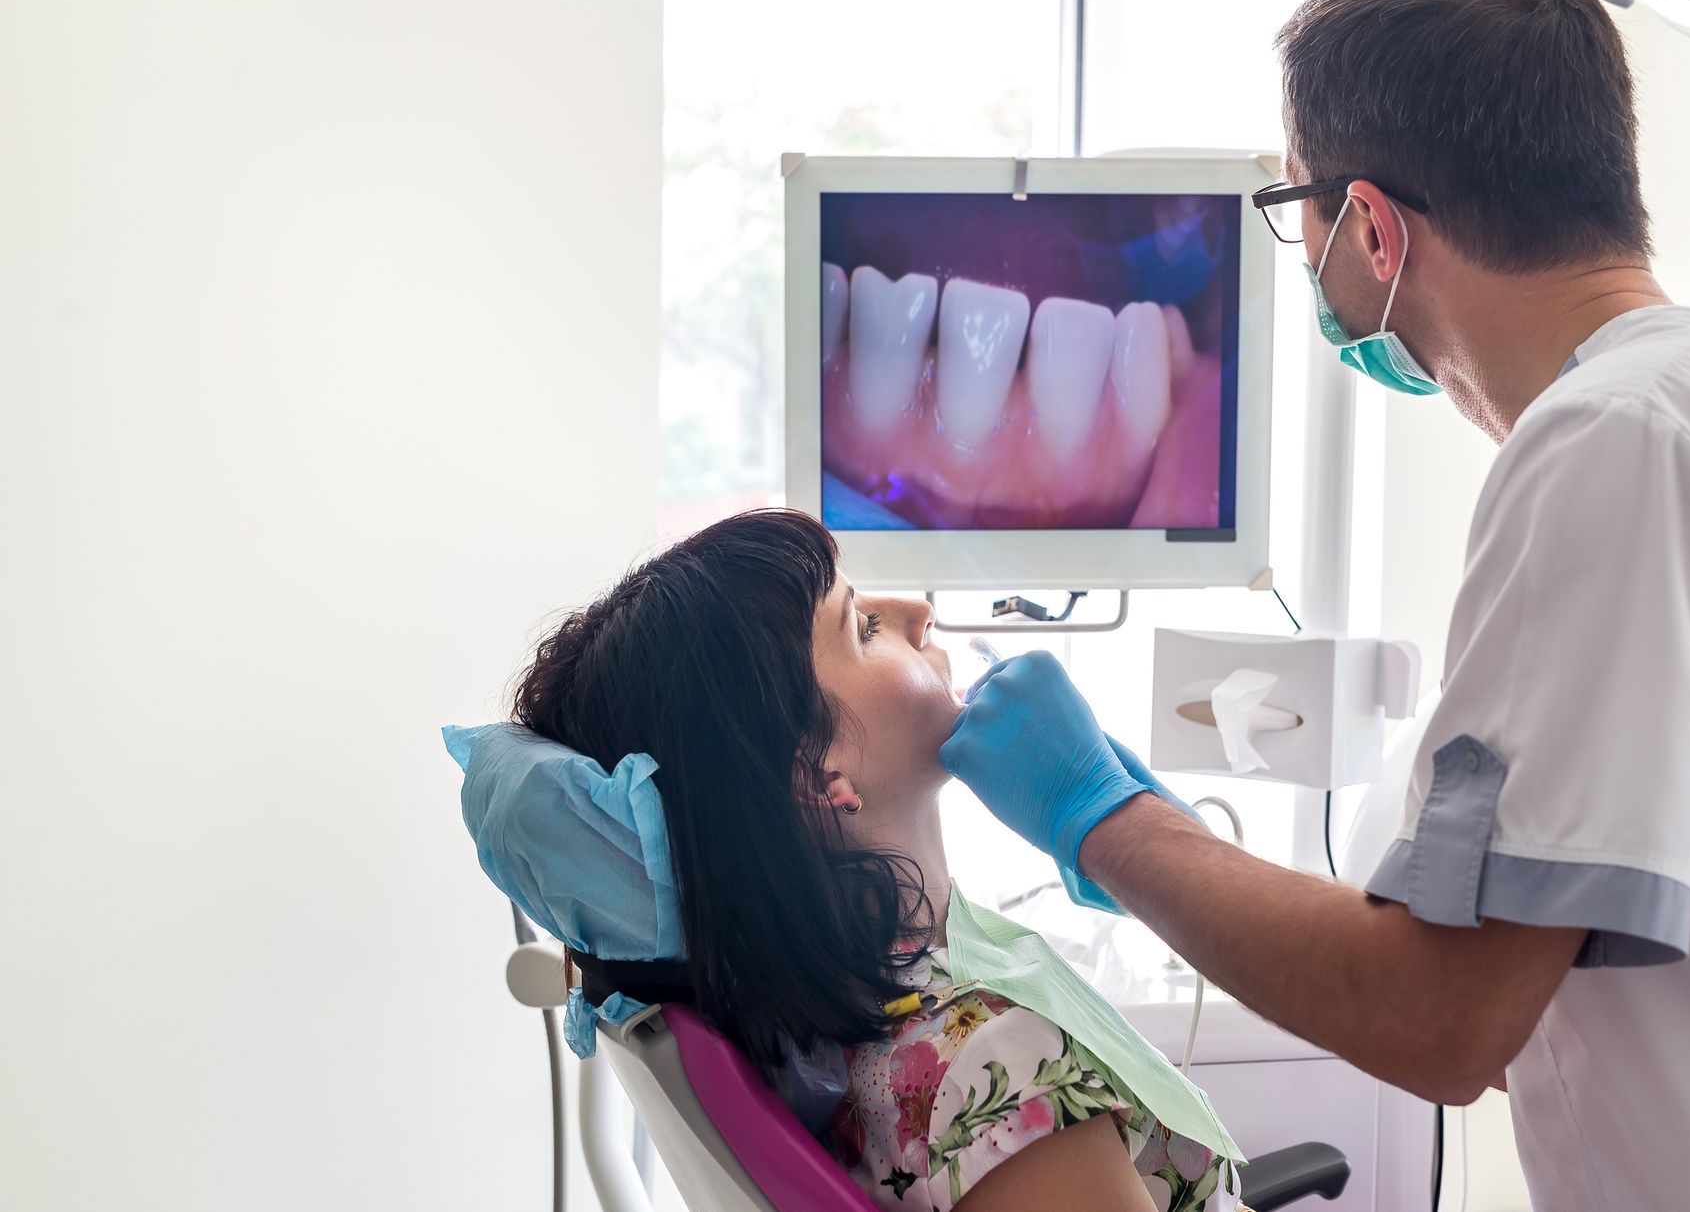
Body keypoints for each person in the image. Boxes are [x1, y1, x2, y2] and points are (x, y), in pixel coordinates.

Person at [941, 0, 1690, 1211]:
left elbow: (1447, 1024)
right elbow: (1536, 979)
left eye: (1294, 213)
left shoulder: (1616, 442)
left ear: (1372, 229)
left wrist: (1099, 820)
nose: (1305, 260)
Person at [461, 509, 1246, 1212]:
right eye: (863, 627)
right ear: (814, 775)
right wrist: (1110, 823)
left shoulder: (827, 1031)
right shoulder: (991, 1066)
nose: (918, 612)